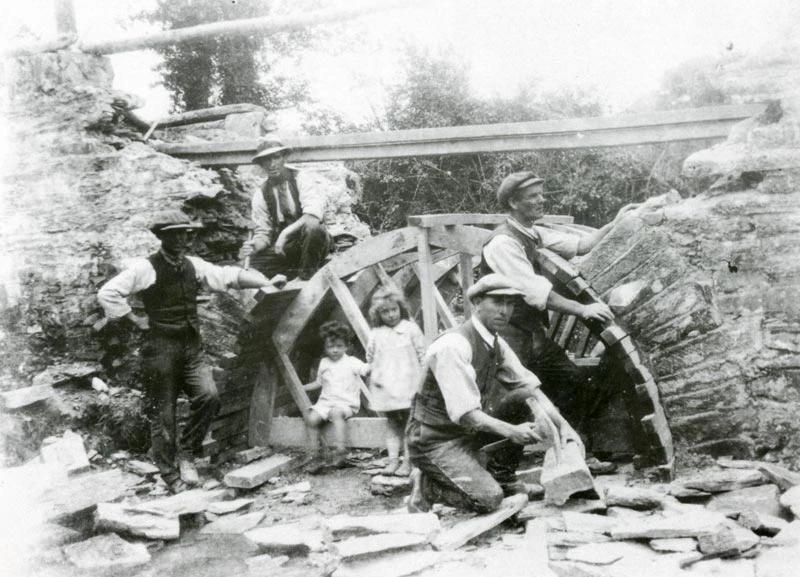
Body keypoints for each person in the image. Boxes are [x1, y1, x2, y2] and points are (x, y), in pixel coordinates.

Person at [97, 210, 286, 493]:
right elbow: (107, 293)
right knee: (163, 414)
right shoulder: (145, 268)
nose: (180, 239)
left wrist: (266, 282)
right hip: (159, 350)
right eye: (173, 234)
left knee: (208, 396)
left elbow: (226, 275)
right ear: (162, 237)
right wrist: (135, 320)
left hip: (191, 347)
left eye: (184, 233)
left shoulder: (192, 265)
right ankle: (169, 475)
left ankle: (187, 452)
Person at [406, 274, 581, 513]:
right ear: (477, 302)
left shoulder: (495, 341)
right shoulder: (453, 346)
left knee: (523, 399)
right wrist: (512, 431)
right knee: (488, 500)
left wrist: (563, 426)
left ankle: (503, 478)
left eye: (510, 304)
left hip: (465, 433)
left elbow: (528, 387)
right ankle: (428, 485)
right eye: (497, 302)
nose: (505, 311)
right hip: (434, 439)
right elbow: (467, 415)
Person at [480, 171, 639, 434]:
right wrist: (583, 309)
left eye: (541, 194)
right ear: (513, 203)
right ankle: (502, 472)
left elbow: (581, 244)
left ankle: (572, 449)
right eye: (533, 196)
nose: (542, 200)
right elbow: (535, 292)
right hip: (507, 336)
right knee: (514, 399)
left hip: (531, 335)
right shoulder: (502, 242)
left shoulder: (531, 233)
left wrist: (615, 222)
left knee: (574, 382)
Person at [240, 140, 332, 281]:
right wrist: (255, 246)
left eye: (276, 157)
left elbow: (312, 216)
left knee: (314, 228)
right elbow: (263, 232)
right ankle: (289, 276)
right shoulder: (262, 193)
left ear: (284, 157)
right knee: (251, 266)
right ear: (261, 164)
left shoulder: (302, 178)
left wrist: (284, 234)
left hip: (311, 241)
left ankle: (305, 278)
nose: (272, 164)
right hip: (286, 248)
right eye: (266, 160)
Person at [366, 287, 425, 477]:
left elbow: (423, 355)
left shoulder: (410, 329)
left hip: (409, 384)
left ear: (400, 308)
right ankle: (393, 461)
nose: (391, 315)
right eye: (385, 311)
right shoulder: (376, 333)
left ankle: (407, 462)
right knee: (392, 424)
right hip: (387, 387)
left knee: (409, 424)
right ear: (378, 314)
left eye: (394, 310)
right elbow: (370, 357)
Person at [305, 321, 371, 474]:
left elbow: (366, 369)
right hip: (326, 402)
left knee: (336, 413)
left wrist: (375, 366)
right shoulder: (324, 363)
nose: (334, 350)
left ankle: (340, 449)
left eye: (339, 346)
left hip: (346, 404)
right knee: (311, 419)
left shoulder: (351, 362)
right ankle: (315, 455)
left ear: (346, 346)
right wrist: (303, 387)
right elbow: (318, 382)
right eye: (330, 346)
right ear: (325, 347)